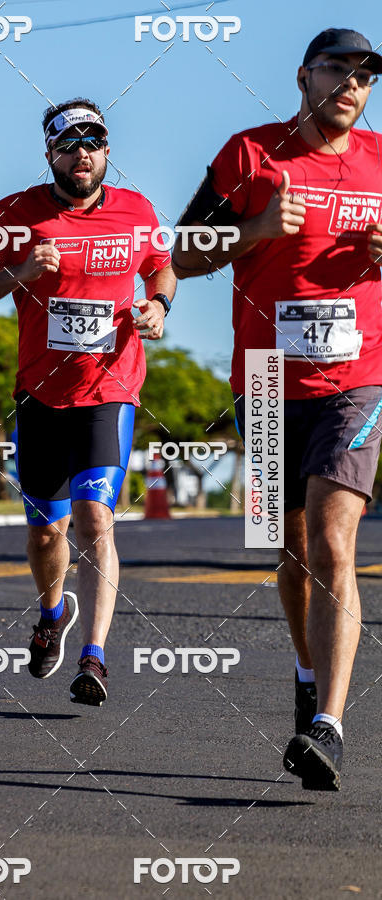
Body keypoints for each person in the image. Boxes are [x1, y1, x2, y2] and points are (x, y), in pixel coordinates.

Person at [171, 29, 382, 789]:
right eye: (339, 70)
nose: (352, 85)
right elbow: (183, 251)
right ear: (304, 75)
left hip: (357, 378)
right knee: (292, 552)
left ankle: (329, 723)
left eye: (365, 76)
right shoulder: (250, 154)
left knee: (333, 539)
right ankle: (304, 669)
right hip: (263, 378)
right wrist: (255, 231)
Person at [0, 98, 175, 706]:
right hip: (41, 395)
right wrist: (19, 272)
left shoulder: (135, 211)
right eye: (71, 144)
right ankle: (52, 612)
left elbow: (162, 268)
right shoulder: (14, 213)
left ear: (107, 152)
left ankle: (94, 659)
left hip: (111, 388)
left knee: (95, 519)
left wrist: (159, 305)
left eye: (95, 143)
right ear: (50, 152)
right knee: (45, 534)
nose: (84, 154)